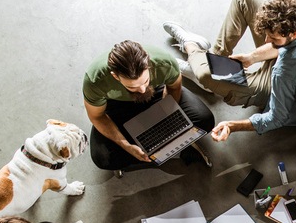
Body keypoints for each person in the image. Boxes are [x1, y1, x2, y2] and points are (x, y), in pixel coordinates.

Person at [162, 0, 296, 140]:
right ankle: (214, 61)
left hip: (279, 88)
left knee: (205, 75)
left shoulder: (286, 72)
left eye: (273, 38)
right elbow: (288, 48)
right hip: (289, 60)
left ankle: (191, 46)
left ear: (294, 33)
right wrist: (253, 57)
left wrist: (232, 126)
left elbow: (277, 118)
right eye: (267, 34)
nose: (266, 41)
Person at [82, 40, 216, 173]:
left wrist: (166, 115)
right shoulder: (95, 81)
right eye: (132, 86)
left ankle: (159, 148)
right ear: (115, 76)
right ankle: (170, 144)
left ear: (148, 65)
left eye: (145, 80)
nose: (141, 89)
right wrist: (126, 145)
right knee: (104, 158)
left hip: (156, 94)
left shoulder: (164, 63)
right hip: (117, 107)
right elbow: (97, 116)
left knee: (204, 120)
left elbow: (174, 88)